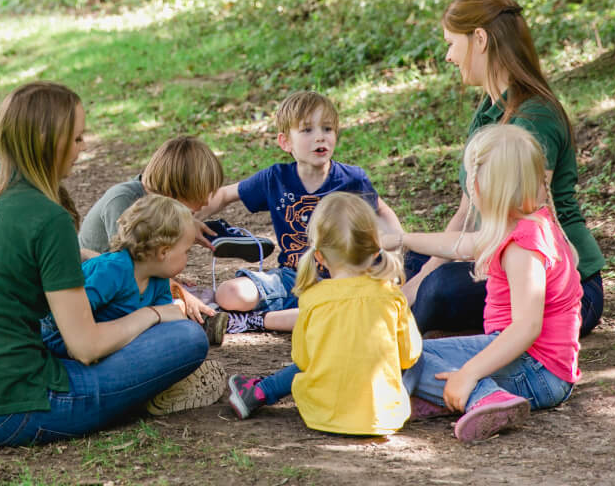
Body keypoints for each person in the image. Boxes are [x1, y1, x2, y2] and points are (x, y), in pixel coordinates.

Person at [0, 82, 209, 445]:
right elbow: (85, 347)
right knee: (186, 338)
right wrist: (155, 314)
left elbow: (30, 261)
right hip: (11, 409)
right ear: (47, 139)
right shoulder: (48, 217)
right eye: (76, 139)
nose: (82, 147)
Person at [406, 0, 605, 336]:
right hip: (496, 256)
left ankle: (377, 334)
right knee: (412, 262)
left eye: (452, 43)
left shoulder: (534, 119)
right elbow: (467, 214)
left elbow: (526, 232)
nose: (449, 56)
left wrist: (426, 281)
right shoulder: (490, 109)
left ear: (479, 39)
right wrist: (422, 272)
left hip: (562, 289)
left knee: (439, 288)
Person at [386, 123, 582, 444]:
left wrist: (469, 374)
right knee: (407, 351)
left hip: (538, 373)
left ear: (479, 187)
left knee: (403, 353)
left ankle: (486, 399)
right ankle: (447, 398)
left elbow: (526, 327)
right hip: (536, 366)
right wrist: (401, 238)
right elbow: (460, 245)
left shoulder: (523, 247)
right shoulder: (522, 223)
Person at [223, 192, 421, 436]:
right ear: (375, 250)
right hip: (385, 418)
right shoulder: (392, 297)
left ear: (320, 257)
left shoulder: (313, 299)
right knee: (421, 359)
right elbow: (409, 355)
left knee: (320, 361)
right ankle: (401, 401)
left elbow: (304, 360)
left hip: (321, 414)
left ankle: (260, 392)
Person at [207, 90, 402, 337]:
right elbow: (224, 195)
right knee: (230, 293)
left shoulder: (351, 179)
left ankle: (257, 321)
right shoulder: (275, 179)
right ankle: (295, 313)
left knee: (351, 306)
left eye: (328, 129)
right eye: (307, 130)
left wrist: (396, 251)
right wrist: (186, 217)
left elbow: (382, 211)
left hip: (345, 277)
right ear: (285, 142)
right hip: (295, 278)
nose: (320, 137)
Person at [43, 194, 232, 414]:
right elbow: (69, 316)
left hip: (114, 341)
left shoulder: (158, 279)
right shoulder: (112, 270)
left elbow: (158, 328)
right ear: (164, 252)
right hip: (64, 342)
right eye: (187, 251)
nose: (187, 257)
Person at [78, 135, 270, 322]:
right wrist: (177, 289)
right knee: (183, 303)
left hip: (127, 284)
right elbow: (130, 264)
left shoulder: (157, 206)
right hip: (99, 288)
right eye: (199, 195)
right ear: (173, 192)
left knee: (197, 298)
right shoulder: (123, 200)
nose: (205, 203)